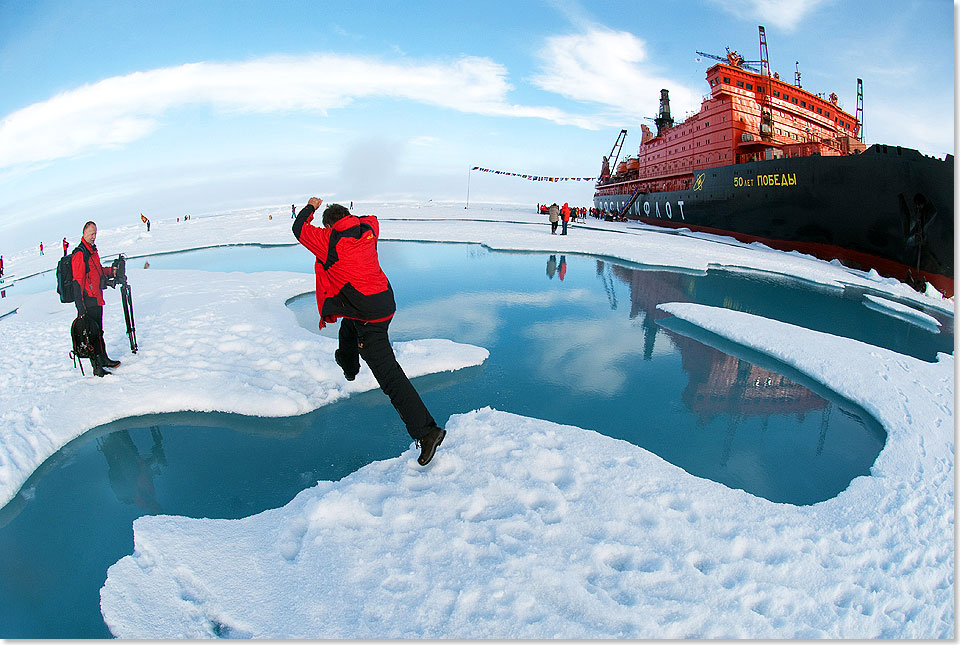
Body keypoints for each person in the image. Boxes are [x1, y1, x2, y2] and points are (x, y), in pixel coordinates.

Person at [292, 197, 446, 466]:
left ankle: (427, 432)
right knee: (348, 323)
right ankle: (349, 363)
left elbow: (298, 229)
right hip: (383, 301)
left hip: (369, 314)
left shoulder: (329, 240)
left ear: (329, 225)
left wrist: (311, 207)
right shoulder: (368, 229)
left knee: (389, 376)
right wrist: (340, 213)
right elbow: (368, 217)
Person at [72, 221, 121, 377]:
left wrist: (110, 271)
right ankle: (97, 368)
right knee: (91, 334)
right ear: (84, 234)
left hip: (97, 298)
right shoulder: (80, 254)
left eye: (95, 234)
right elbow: (77, 281)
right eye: (91, 234)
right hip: (88, 300)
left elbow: (98, 271)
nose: (94, 237)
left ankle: (104, 359)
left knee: (98, 331)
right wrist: (80, 307)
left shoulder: (92, 251)